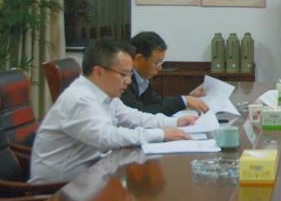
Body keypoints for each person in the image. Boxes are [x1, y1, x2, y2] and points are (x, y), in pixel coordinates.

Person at [30, 37, 194, 184]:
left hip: (89, 177)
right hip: (57, 191)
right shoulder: (79, 99)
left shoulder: (105, 94)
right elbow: (107, 137)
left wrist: (175, 122)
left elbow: (133, 117)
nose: (128, 81)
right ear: (99, 72)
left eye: (130, 74)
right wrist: (160, 134)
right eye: (124, 74)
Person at [121, 31, 208, 115]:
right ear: (139, 59)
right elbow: (140, 114)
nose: (160, 68)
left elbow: (156, 103)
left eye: (161, 62)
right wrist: (182, 101)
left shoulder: (142, 77)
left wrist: (188, 98)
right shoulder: (122, 79)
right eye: (157, 62)